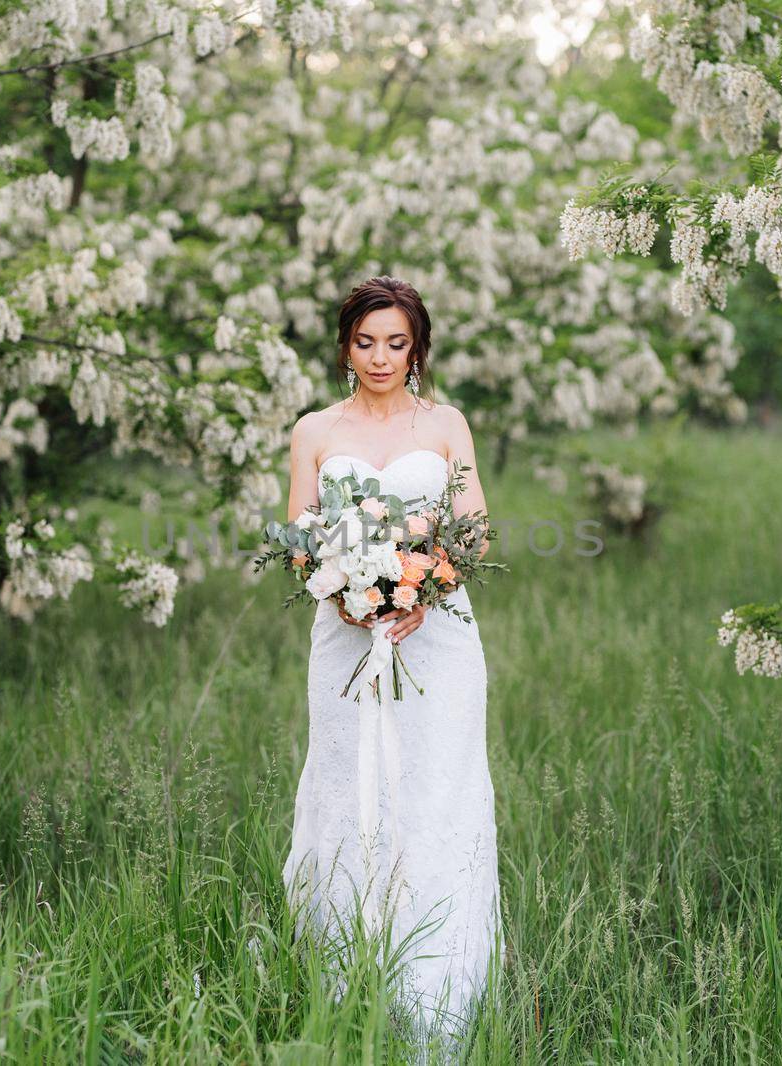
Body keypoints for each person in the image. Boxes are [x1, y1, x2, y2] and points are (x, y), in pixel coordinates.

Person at [281, 275, 503, 1056]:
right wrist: (342, 591)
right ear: (345, 347)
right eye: (366, 342)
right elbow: (301, 536)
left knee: (435, 794)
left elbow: (472, 531)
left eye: (397, 343)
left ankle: (439, 997)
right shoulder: (314, 429)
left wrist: (425, 588)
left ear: (418, 349)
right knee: (349, 790)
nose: (381, 357)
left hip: (437, 638)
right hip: (343, 637)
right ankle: (339, 983)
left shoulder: (445, 424)